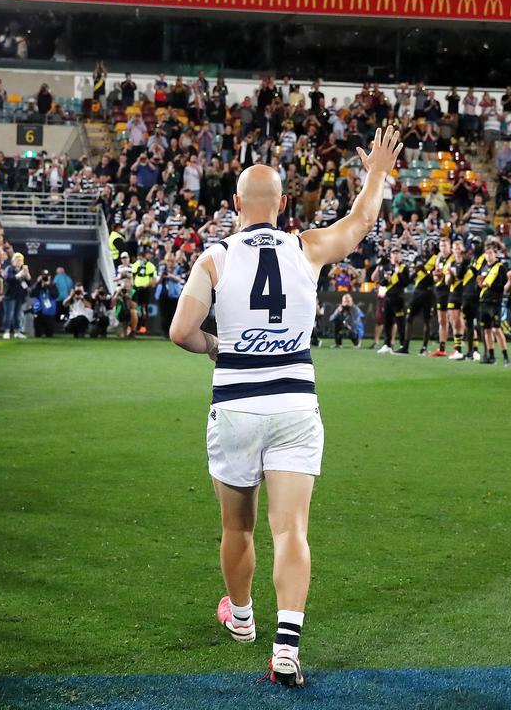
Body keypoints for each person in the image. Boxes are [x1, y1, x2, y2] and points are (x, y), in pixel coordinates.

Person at [169, 127, 403, 686]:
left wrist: (216, 348)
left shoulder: (215, 258)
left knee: (239, 527)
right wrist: (375, 173)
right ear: (282, 205)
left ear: (235, 207)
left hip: (237, 406)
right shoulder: (306, 246)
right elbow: (361, 222)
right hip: (295, 404)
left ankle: (243, 617)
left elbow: (181, 332)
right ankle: (288, 649)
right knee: (291, 530)